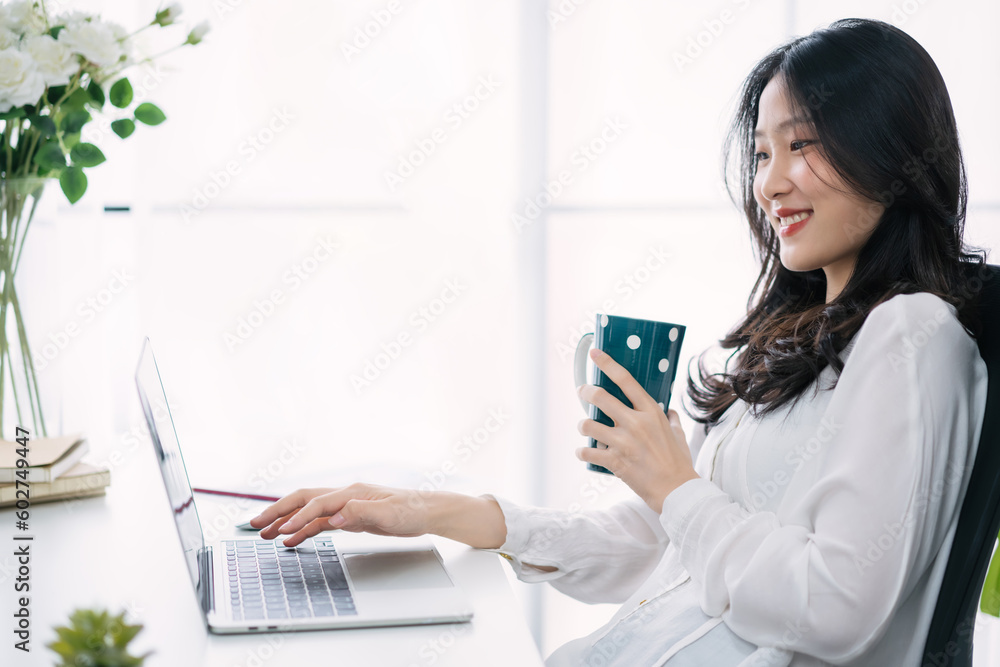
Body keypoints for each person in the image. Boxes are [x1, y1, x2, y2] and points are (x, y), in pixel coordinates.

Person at [250, 18, 990, 666]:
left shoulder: (912, 335)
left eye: (804, 146)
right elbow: (661, 543)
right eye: (761, 154)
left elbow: (834, 606)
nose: (771, 183)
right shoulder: (803, 340)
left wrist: (676, 484)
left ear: (890, 151)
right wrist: (441, 513)